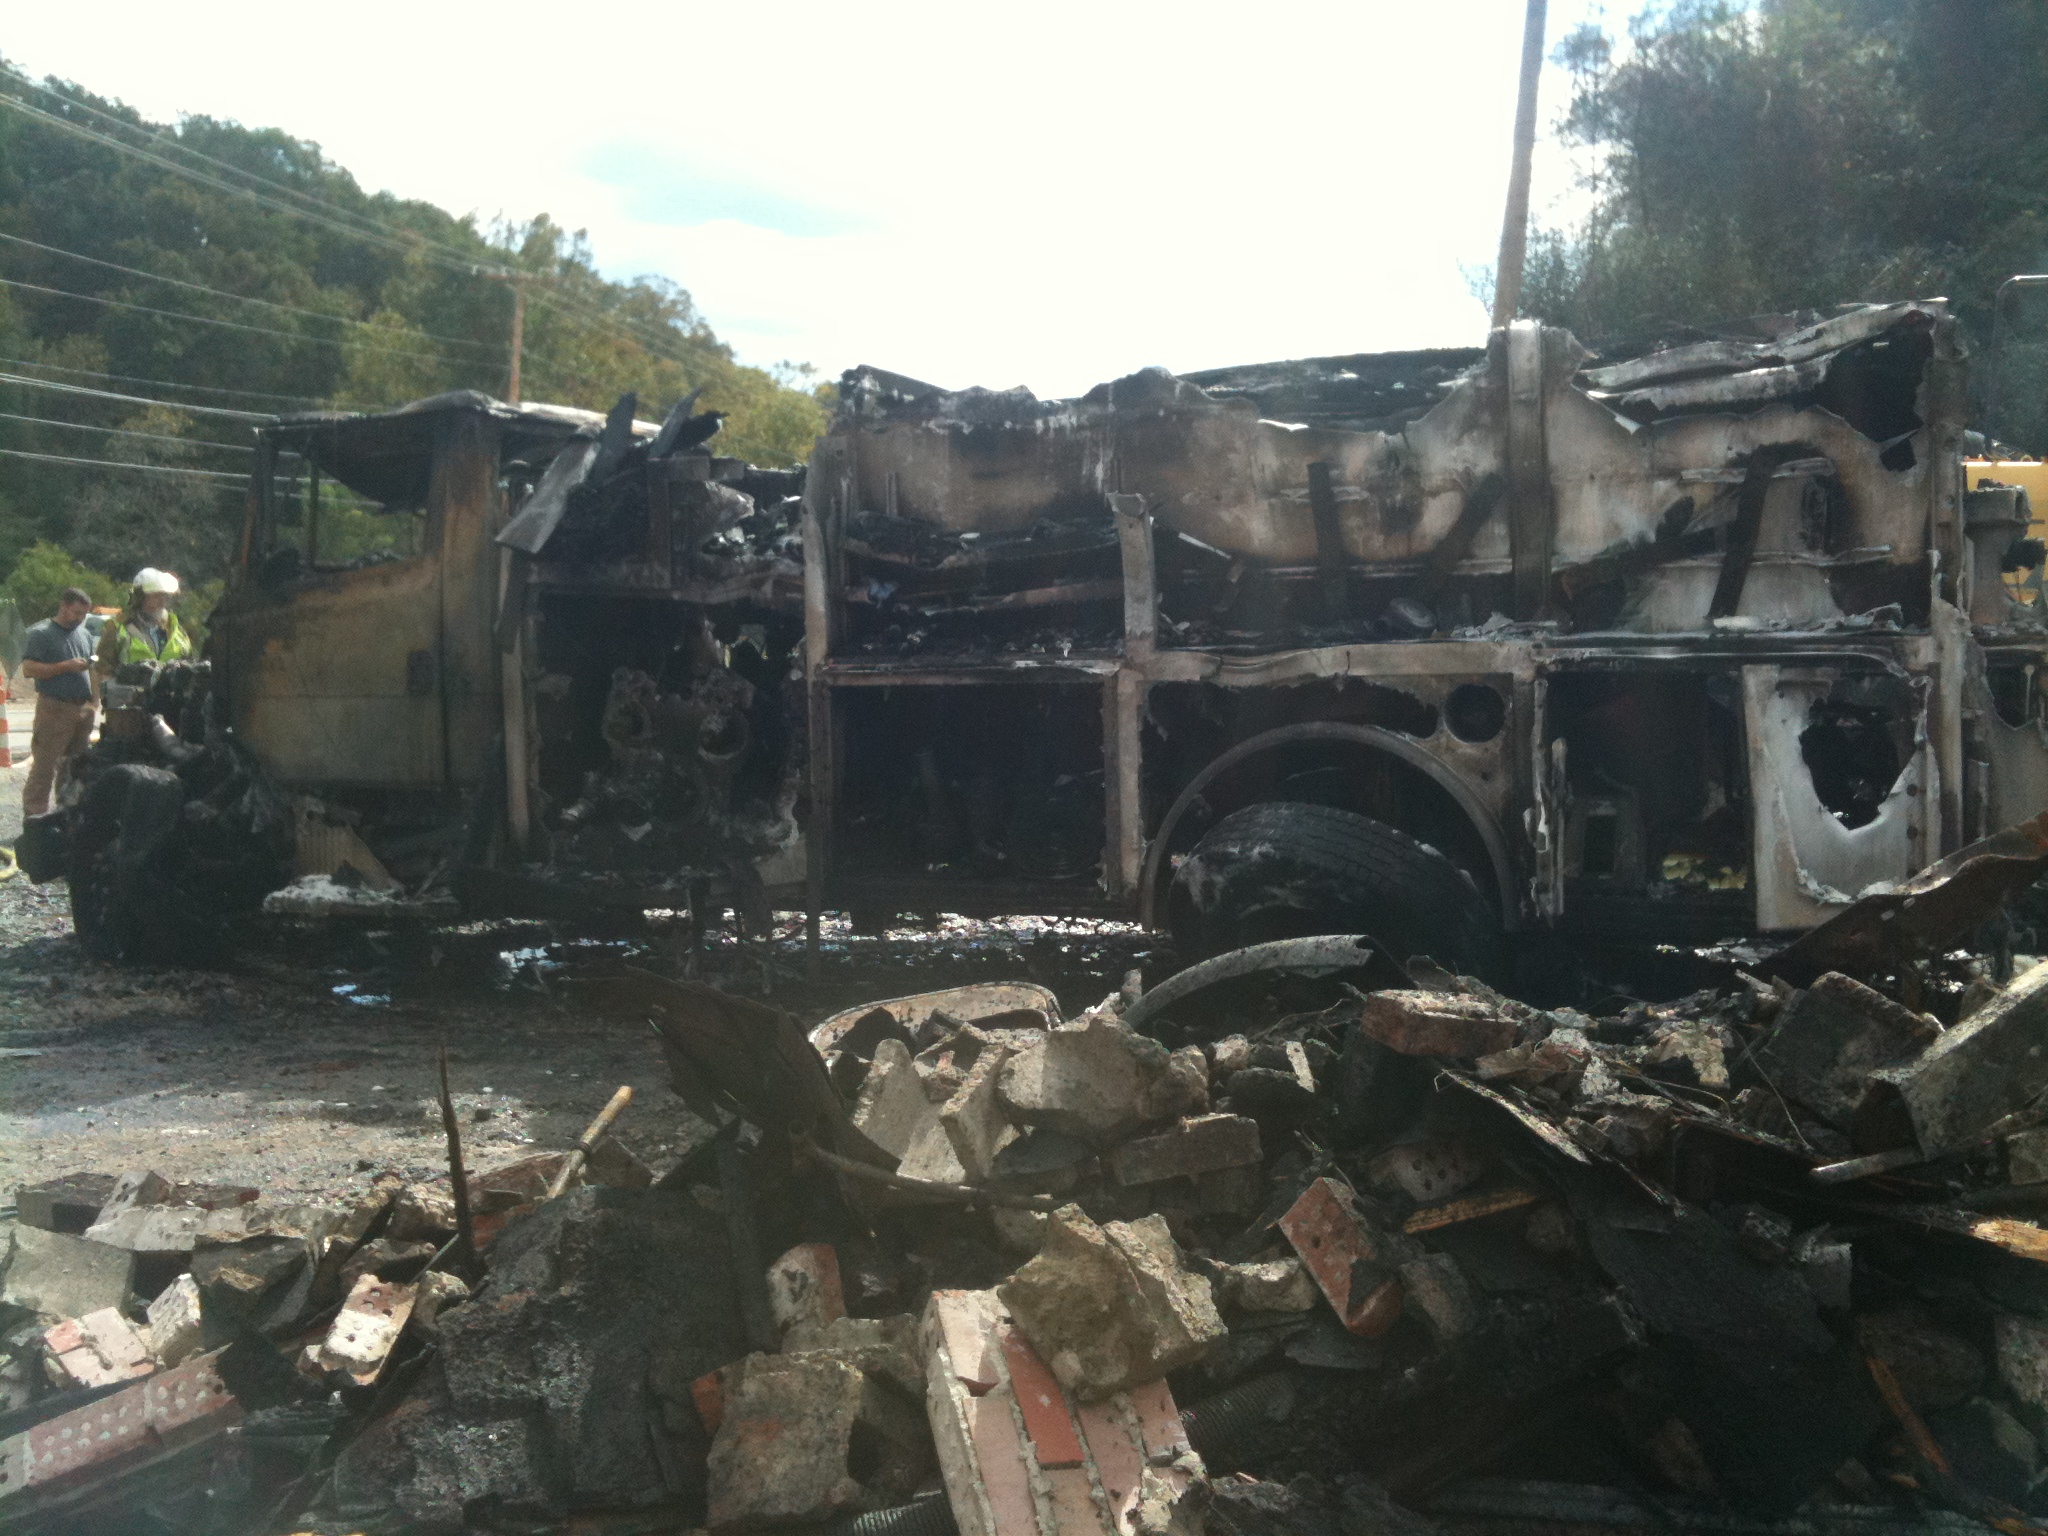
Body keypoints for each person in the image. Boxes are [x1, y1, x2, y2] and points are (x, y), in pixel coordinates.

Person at [19, 586, 99, 819]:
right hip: (54, 707)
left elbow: (92, 669)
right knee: (45, 767)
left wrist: (95, 700)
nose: (80, 618)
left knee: (74, 767)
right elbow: (28, 669)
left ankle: (66, 815)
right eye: (76, 613)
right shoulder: (41, 633)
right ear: (63, 606)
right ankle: (35, 819)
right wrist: (65, 666)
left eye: (84, 614)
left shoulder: (84, 634)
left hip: (82, 708)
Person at [94, 567, 192, 680]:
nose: (162, 601)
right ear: (140, 598)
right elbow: (101, 669)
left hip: (170, 691)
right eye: (156, 596)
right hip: (130, 690)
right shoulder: (118, 627)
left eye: (164, 595)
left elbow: (189, 664)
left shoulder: (176, 629)